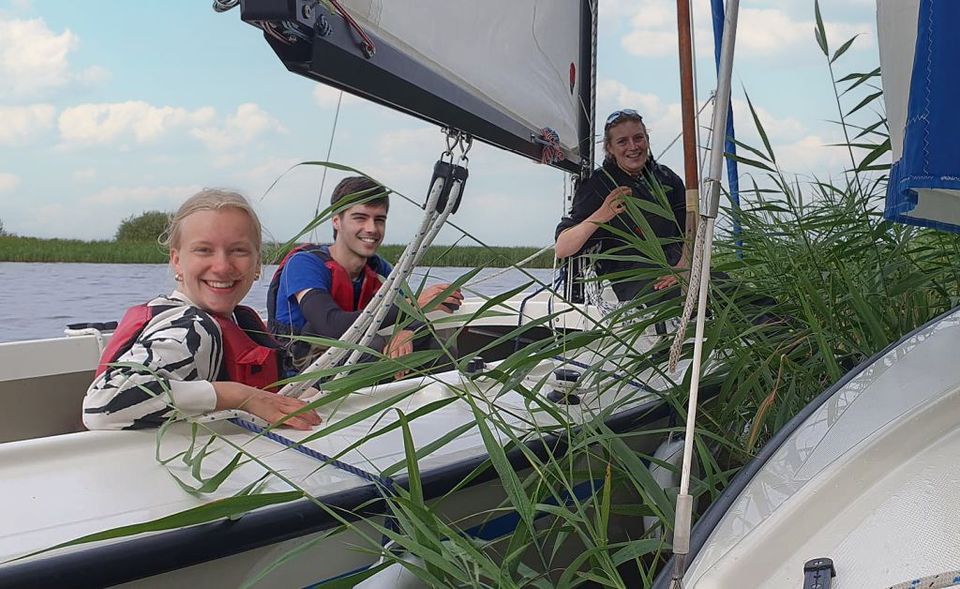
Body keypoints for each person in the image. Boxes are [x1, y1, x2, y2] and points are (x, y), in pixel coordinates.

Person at [83, 189, 321, 431]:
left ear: (257, 262)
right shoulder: (191, 328)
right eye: (204, 250)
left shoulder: (238, 320)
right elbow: (101, 406)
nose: (222, 266)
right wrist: (241, 396)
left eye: (239, 250)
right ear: (176, 260)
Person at [268, 176, 463, 371]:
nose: (371, 229)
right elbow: (330, 325)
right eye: (360, 218)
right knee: (372, 345)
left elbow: (409, 313)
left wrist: (406, 330)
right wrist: (413, 306)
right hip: (302, 367)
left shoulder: (378, 268)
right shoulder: (303, 265)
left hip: (353, 358)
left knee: (437, 347)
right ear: (336, 221)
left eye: (379, 220)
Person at [555, 109, 688, 302]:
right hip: (633, 277)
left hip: (678, 267)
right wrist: (602, 214)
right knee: (677, 298)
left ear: (647, 140)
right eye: (622, 141)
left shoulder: (666, 178)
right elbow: (563, 248)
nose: (633, 147)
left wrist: (684, 267)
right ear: (610, 148)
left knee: (738, 295)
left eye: (638, 138)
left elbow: (690, 230)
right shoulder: (599, 185)